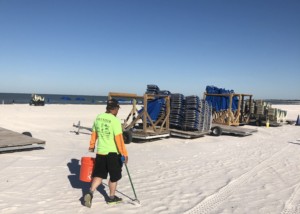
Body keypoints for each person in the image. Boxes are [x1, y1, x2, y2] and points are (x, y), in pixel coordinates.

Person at [84, 98, 128, 207]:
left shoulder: (99, 117)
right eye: (118, 109)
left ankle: (90, 192)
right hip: (113, 153)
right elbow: (119, 139)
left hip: (100, 152)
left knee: (99, 175)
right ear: (115, 108)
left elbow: (94, 134)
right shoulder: (115, 120)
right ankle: (111, 198)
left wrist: (91, 146)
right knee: (114, 177)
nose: (118, 111)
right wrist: (124, 154)